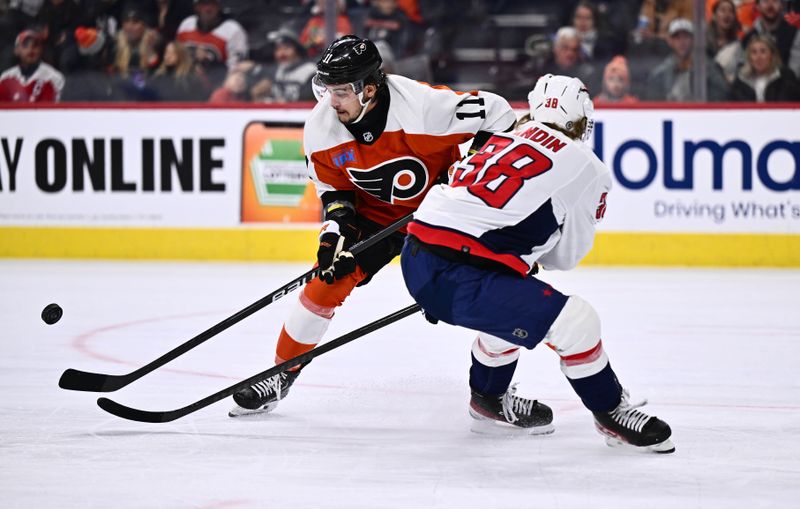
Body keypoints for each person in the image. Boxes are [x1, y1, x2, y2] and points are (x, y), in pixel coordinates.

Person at [229, 35, 517, 417]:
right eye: (326, 89)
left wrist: (474, 168)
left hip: (440, 218)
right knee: (324, 283)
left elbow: (498, 112)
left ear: (369, 89)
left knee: (499, 287)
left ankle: (491, 396)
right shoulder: (321, 126)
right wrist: (335, 233)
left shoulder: (424, 108)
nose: (331, 101)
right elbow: (335, 191)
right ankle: (280, 373)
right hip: (377, 217)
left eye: (341, 92)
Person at [400, 74, 675, 453]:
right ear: (581, 120)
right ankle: (611, 412)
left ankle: (488, 399)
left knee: (513, 306)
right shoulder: (586, 165)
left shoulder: (503, 137)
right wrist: (528, 253)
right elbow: (566, 256)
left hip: (416, 254)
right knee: (577, 322)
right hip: (461, 273)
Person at [644, 17, 729, 101]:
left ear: (693, 40)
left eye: (686, 37)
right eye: (677, 38)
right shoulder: (660, 73)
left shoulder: (709, 68)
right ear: (670, 41)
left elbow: (721, 96)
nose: (682, 42)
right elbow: (654, 104)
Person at [729, 33, 800, 101]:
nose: (758, 57)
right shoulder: (741, 80)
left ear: (772, 55)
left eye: (763, 51)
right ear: (749, 57)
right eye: (754, 52)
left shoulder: (785, 77)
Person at [0, 29, 64, 103]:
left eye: (35, 46)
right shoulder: (5, 77)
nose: (30, 50)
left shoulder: (54, 77)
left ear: (41, 50)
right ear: (16, 50)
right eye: (25, 45)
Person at [741, 0, 800, 78]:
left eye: (775, 1)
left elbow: (794, 72)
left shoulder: (795, 34)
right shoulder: (748, 37)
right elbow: (744, 70)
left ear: (782, 6)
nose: (770, 5)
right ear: (757, 6)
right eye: (765, 1)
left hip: (786, 86)